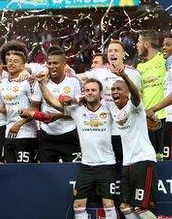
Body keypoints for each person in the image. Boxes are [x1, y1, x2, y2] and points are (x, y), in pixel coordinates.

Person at [37, 77, 118, 219]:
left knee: (109, 205)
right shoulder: (77, 110)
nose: (90, 93)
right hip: (86, 167)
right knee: (78, 206)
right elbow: (52, 102)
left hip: (106, 165)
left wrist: (75, 98)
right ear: (83, 93)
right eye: (87, 90)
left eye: (94, 90)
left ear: (100, 93)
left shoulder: (109, 108)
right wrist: (41, 84)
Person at [77, 40, 142, 162]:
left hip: (127, 128)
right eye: (110, 51)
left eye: (116, 50)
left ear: (123, 54)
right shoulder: (99, 72)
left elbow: (138, 99)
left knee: (127, 163)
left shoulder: (134, 74)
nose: (112, 53)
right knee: (110, 164)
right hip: (107, 129)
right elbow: (77, 77)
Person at [108, 68, 159, 219]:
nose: (115, 91)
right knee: (124, 207)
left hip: (143, 160)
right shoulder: (116, 111)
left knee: (140, 208)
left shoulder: (135, 106)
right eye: (113, 89)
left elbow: (136, 95)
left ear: (127, 93)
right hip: (127, 163)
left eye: (119, 89)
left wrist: (124, 75)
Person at [26, 46, 82, 163]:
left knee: (72, 173)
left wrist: (54, 116)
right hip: (47, 135)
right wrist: (35, 115)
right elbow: (34, 106)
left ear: (64, 64)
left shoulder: (74, 82)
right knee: (48, 175)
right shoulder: (40, 83)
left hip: (69, 133)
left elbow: (78, 111)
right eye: (49, 63)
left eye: (55, 63)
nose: (52, 66)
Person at [0, 50, 39, 163]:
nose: (11, 63)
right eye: (9, 61)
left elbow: (35, 109)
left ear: (23, 66)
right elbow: (8, 108)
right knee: (10, 172)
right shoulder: (2, 83)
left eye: (15, 61)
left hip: (26, 134)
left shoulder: (28, 83)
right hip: (9, 133)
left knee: (24, 172)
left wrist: (19, 124)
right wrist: (0, 108)